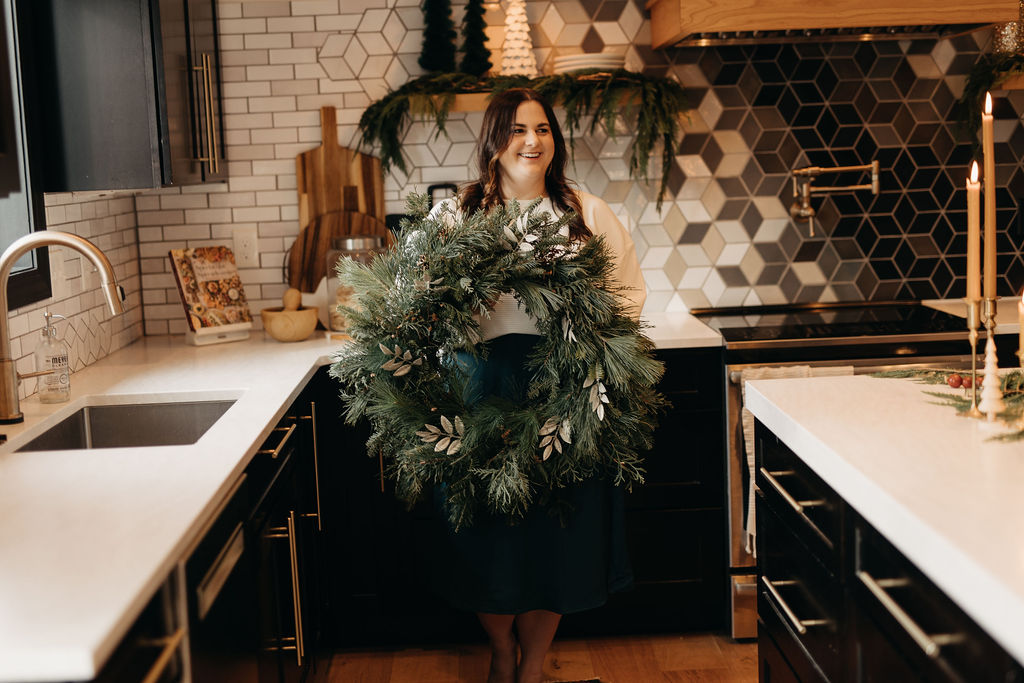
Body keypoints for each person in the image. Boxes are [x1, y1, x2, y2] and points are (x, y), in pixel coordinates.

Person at [429, 88, 647, 683]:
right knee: (487, 533)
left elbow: (626, 295)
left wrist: (595, 345)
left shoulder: (588, 213)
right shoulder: (455, 217)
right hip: (480, 392)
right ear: (493, 141)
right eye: (519, 129)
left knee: (558, 534)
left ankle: (534, 665)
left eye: (544, 128)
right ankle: (500, 651)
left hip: (566, 391)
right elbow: (429, 304)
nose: (533, 141)